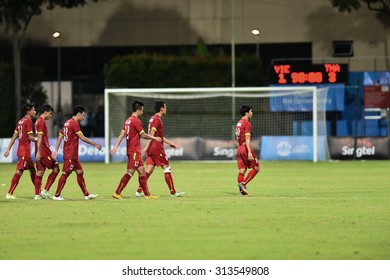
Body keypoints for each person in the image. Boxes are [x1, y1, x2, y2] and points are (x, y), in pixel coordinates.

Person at [111, 100, 162, 200]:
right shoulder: (136, 121)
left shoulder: (127, 121)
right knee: (130, 172)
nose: (142, 112)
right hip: (134, 151)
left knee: (142, 173)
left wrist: (116, 146)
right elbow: (143, 135)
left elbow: (122, 133)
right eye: (142, 110)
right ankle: (117, 192)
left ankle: (147, 195)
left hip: (135, 151)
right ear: (138, 110)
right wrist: (155, 138)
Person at [135, 100, 185, 197]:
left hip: (151, 149)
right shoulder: (157, 120)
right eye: (165, 107)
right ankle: (173, 192)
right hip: (157, 149)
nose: (166, 109)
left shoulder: (152, 118)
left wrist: (169, 143)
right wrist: (145, 148)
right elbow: (152, 135)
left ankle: (139, 191)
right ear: (162, 108)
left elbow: (158, 136)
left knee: (149, 170)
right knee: (166, 167)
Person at [51, 105, 102, 200]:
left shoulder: (67, 123)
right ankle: (56, 195)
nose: (83, 117)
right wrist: (94, 144)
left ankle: (86, 194)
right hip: (70, 154)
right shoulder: (74, 123)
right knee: (66, 173)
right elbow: (82, 137)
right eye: (82, 115)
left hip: (73, 155)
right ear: (78, 114)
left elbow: (60, 136)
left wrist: (56, 149)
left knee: (80, 172)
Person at [3, 103, 37, 200]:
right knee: (19, 171)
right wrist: (39, 140)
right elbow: (30, 137)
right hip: (24, 151)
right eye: (33, 110)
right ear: (28, 111)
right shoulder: (28, 121)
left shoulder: (20, 121)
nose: (35, 111)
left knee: (33, 170)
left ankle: (38, 192)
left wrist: (8, 149)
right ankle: (9, 193)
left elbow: (14, 136)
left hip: (23, 151)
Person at [34, 104, 59, 199]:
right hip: (44, 151)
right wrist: (39, 151)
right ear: (45, 112)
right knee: (56, 168)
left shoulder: (37, 121)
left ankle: (37, 195)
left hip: (40, 150)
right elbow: (39, 138)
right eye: (50, 113)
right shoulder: (41, 122)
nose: (50, 115)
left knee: (40, 172)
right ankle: (45, 190)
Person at [235, 105, 260, 195]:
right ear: (247, 113)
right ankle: (243, 184)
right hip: (245, 148)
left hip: (239, 148)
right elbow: (247, 139)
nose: (251, 113)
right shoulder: (247, 123)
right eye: (251, 111)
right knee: (256, 168)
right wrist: (249, 152)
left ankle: (242, 191)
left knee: (242, 170)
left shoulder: (239, 123)